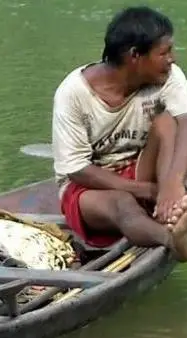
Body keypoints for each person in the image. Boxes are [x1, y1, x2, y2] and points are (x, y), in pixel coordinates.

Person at [52, 6, 187, 259]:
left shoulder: (168, 76)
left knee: (168, 122)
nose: (172, 59)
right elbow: (77, 169)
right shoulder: (73, 93)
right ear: (135, 55)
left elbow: (185, 123)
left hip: (141, 168)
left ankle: (168, 207)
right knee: (122, 204)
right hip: (87, 187)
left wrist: (172, 183)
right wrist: (146, 190)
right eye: (164, 52)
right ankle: (174, 239)